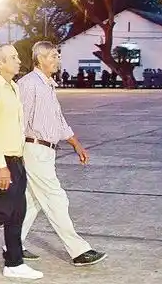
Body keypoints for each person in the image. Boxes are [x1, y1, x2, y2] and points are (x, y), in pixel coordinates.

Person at [18, 41, 107, 267]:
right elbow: (19, 120)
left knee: (33, 201)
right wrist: (12, 155)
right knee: (56, 198)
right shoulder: (29, 84)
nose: (57, 60)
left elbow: (58, 120)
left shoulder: (48, 85)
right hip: (33, 149)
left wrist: (76, 144)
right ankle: (79, 251)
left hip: (46, 150)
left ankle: (12, 244)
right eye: (53, 56)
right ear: (40, 59)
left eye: (57, 56)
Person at [0, 45, 43, 280]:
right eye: (13, 57)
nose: (19, 60)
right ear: (0, 63)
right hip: (1, 161)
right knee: (2, 211)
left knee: (18, 211)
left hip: (16, 158)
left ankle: (14, 263)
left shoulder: (13, 87)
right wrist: (0, 165)